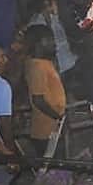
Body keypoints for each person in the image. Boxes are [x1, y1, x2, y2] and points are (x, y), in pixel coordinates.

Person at [21, 25, 66, 153]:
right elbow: (38, 100)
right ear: (41, 42)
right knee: (53, 167)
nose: (54, 43)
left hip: (51, 127)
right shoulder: (36, 66)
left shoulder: (44, 63)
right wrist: (58, 118)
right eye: (51, 39)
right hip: (46, 129)